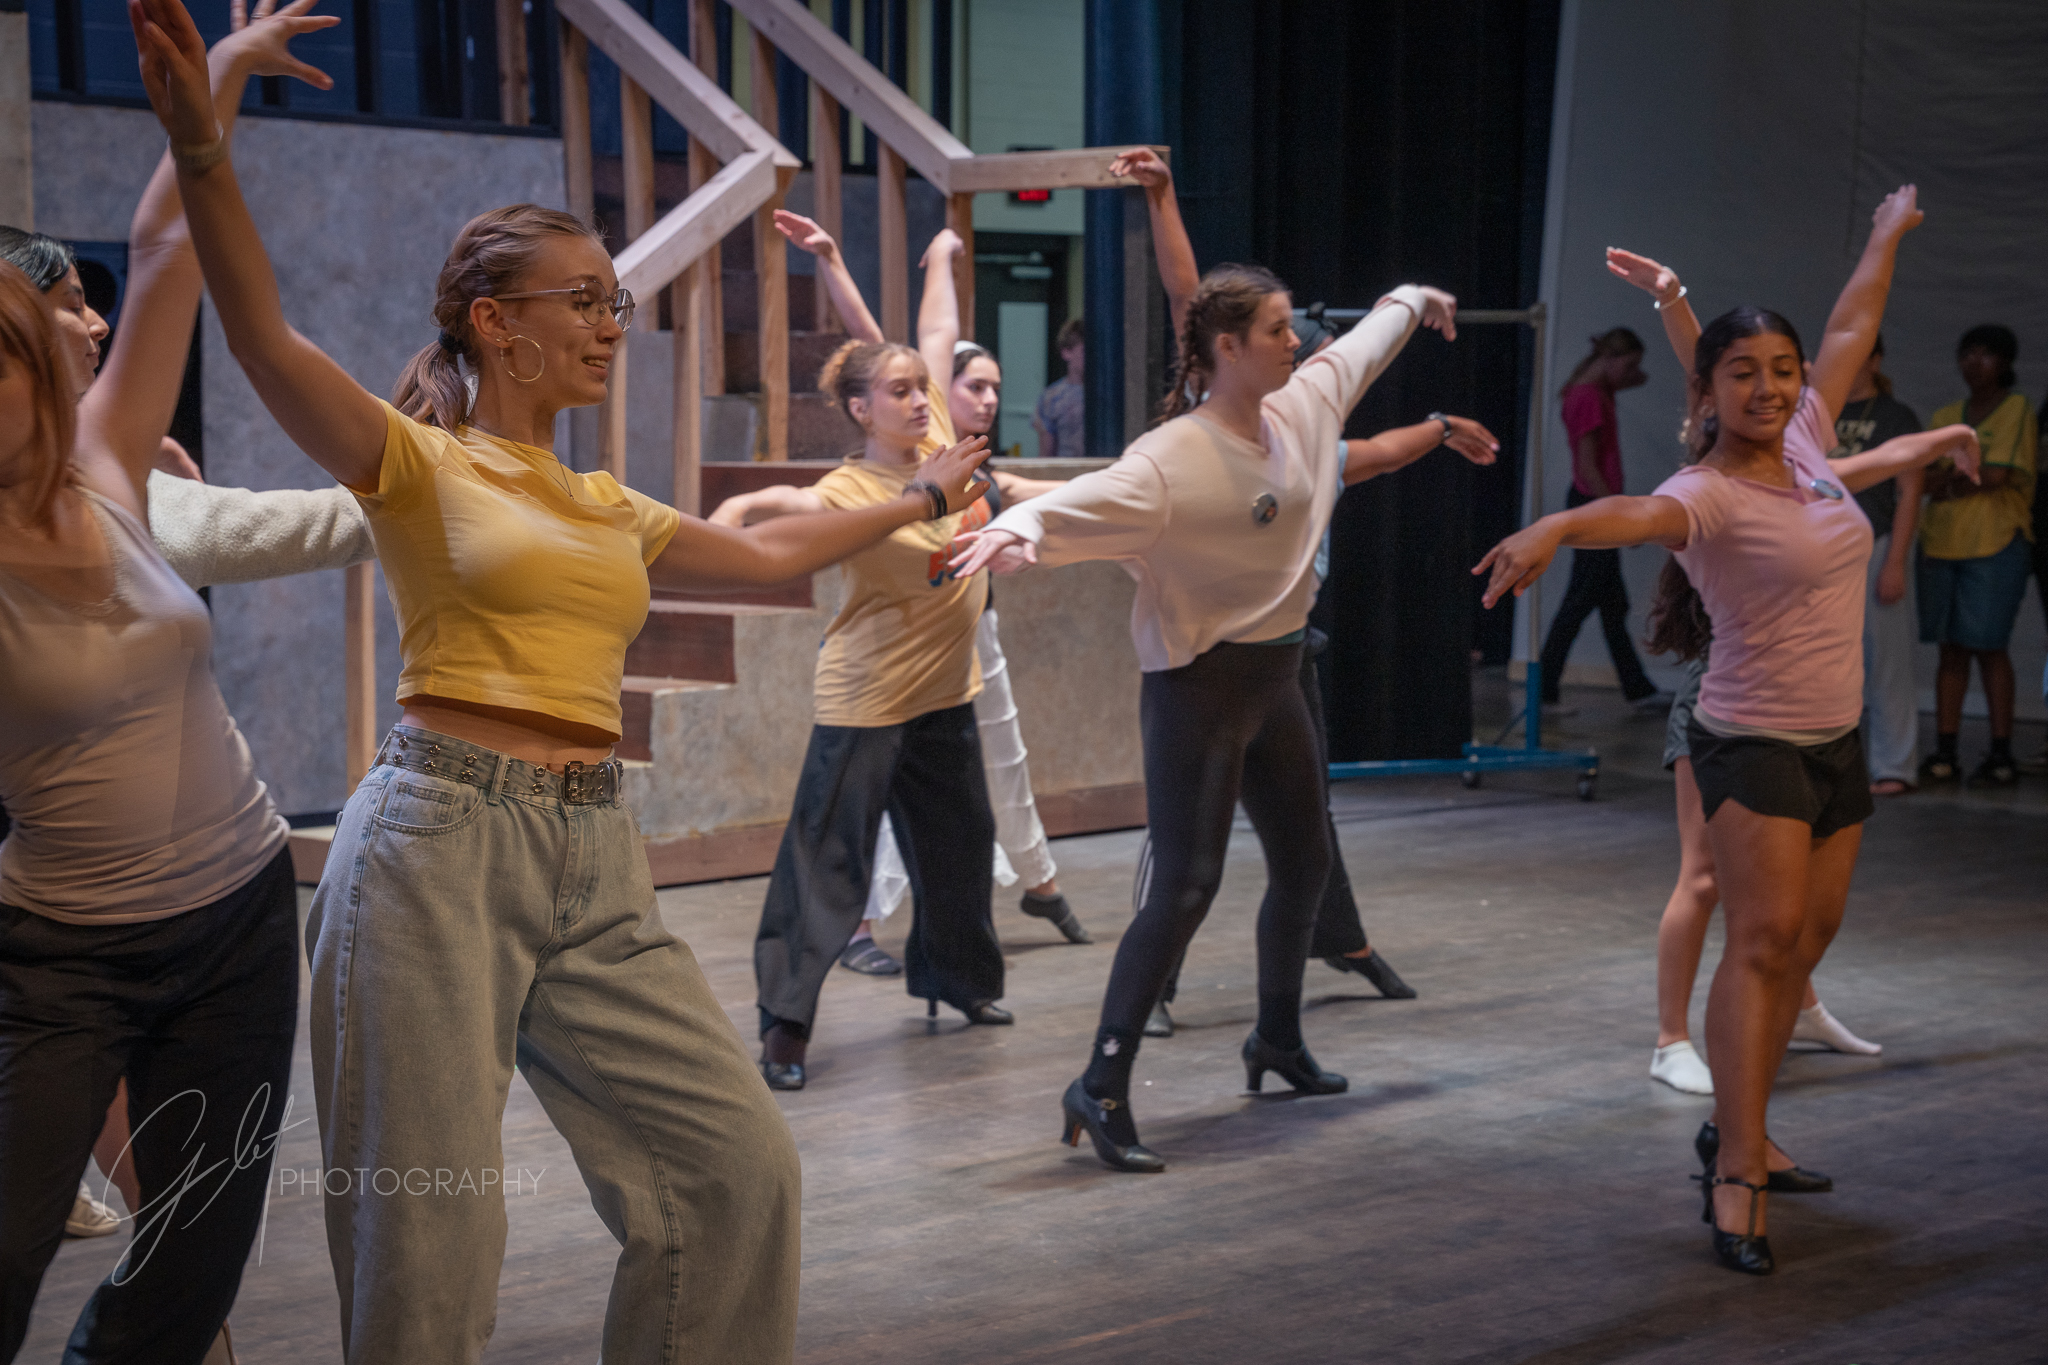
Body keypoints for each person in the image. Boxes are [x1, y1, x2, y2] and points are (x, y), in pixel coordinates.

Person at [131, 0, 991, 1356]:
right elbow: (263, 339)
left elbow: (767, 556)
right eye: (586, 302)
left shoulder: (606, 499)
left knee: (734, 1176)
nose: (611, 325)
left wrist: (912, 493)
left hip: (596, 852)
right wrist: (202, 140)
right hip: (436, 849)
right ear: (497, 323)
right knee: (432, 1243)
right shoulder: (421, 462)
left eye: (617, 300)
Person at [1478, 185, 1975, 1275]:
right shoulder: (1701, 489)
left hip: (1833, 737)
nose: (1767, 387)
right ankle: (1736, 1167)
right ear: (1706, 387)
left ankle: (1735, 1123)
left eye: (1781, 371)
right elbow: (1634, 516)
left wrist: (1886, 228)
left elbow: (1848, 321)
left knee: (1801, 944)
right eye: (1740, 372)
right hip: (1747, 739)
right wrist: (1557, 526)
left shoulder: (1805, 444)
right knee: (1755, 947)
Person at [952, 266, 1461, 1173]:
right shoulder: (1172, 458)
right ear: (1226, 349)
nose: (1294, 339)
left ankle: (1275, 1040)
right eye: (1274, 328)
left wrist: (1415, 298)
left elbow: (1367, 345)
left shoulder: (1305, 406)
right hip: (1198, 690)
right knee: (1187, 884)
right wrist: (1011, 532)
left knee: (1306, 862)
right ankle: (1100, 1083)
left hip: (1278, 676)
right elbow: (1082, 502)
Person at [2, 11, 337, 1361]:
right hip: (63, 954)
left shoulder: (101, 463)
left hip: (240, 918)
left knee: (195, 1263)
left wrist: (214, 101)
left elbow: (160, 256)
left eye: (25, 361)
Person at [1109, 146, 1428, 1020]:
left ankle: (1332, 950)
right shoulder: (1199, 431)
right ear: (1231, 354)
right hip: (1206, 649)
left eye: (1302, 344)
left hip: (1284, 641)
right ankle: (1156, 984)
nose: (1297, 357)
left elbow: (1373, 451)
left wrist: (1440, 426)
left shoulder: (1308, 430)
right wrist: (1165, 193)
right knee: (1183, 856)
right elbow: (1188, 295)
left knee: (1303, 821)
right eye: (1282, 341)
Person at [744, 216, 1086, 980]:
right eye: (974, 385)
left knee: (969, 826)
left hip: (951, 668)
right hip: (876, 683)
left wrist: (943, 255)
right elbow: (787, 495)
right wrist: (731, 517)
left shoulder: (946, 451)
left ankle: (980, 958)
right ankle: (807, 996)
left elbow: (933, 329)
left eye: (997, 387)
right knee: (849, 839)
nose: (984, 399)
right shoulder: (871, 473)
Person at [1647, 651, 1880, 1099]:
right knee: (1704, 875)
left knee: (1792, 881)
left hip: (1803, 704)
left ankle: (1802, 1011)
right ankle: (1669, 1041)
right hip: (1725, 696)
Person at [1918, 324, 2037, 788]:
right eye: (1967, 353)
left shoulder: (2017, 409)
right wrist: (1957, 474)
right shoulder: (1947, 414)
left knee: (1989, 646)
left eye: (1986, 355)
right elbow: (1921, 480)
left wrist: (1947, 476)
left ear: (2006, 362)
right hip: (1941, 542)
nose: (1974, 362)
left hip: (1996, 543)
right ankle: (1945, 751)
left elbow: (1996, 476)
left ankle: (2001, 752)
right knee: (1950, 649)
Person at [1535, 328, 1663, 713]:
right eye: (1628, 364)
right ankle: (1542, 692)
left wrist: (1620, 365)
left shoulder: (1593, 391)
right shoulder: (1589, 397)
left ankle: (1639, 690)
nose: (1633, 374)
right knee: (1579, 602)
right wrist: (1623, 516)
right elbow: (1590, 469)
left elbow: (1638, 379)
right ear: (1608, 360)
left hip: (1594, 502)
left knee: (1612, 607)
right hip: (1594, 503)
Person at [1831, 334, 1924, 794]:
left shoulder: (1894, 415)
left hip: (1873, 543)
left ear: (1875, 359)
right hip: (1823, 548)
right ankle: (1826, 759)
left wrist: (1895, 562)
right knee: (1823, 659)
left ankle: (1894, 765)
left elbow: (1909, 492)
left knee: (1886, 659)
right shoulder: (1819, 411)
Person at [1033, 317, 1086, 458]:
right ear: (1066, 352)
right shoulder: (1052, 397)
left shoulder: (1111, 394)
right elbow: (1046, 455)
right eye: (1085, 351)